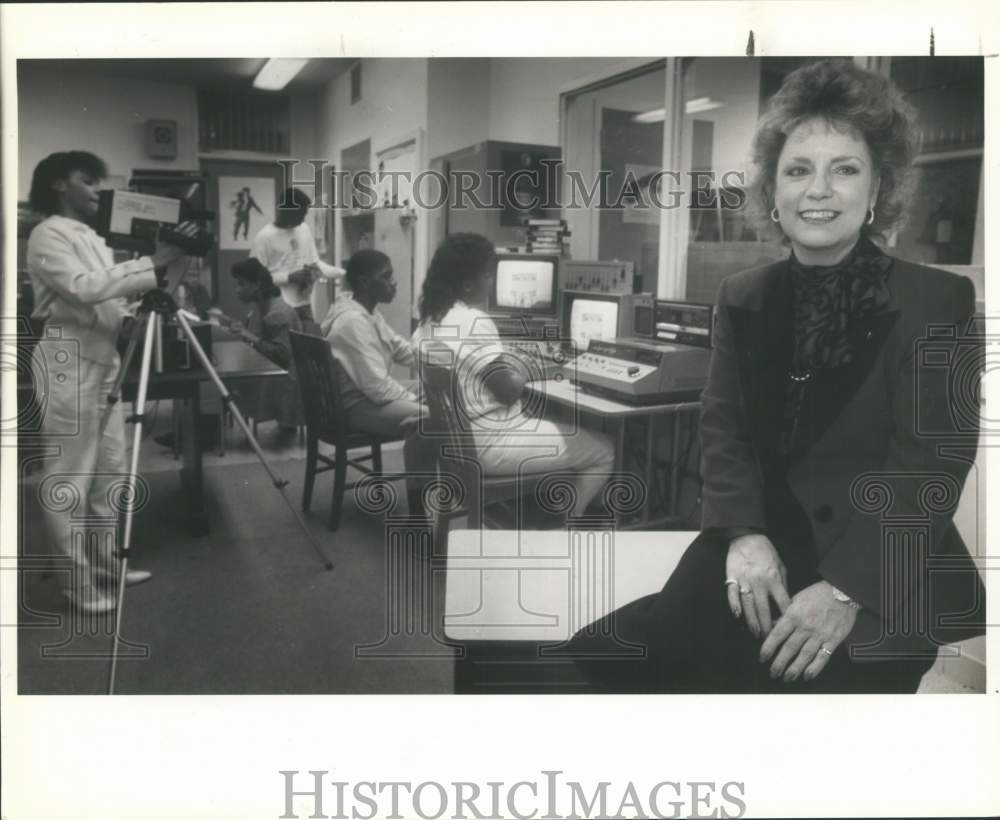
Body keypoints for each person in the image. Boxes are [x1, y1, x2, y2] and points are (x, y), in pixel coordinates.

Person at [570, 59, 985, 693]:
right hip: (760, 539)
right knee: (610, 659)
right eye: (799, 170)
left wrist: (845, 590)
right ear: (774, 194)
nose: (819, 189)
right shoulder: (743, 295)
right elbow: (724, 425)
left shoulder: (939, 302)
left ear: (877, 191)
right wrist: (742, 535)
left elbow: (929, 468)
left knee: (799, 721)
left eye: (844, 169)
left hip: (877, 561)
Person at [26, 150, 187, 613]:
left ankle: (103, 562)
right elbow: (82, 287)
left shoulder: (92, 237)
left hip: (103, 356)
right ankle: (74, 582)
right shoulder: (46, 233)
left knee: (109, 471)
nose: (97, 191)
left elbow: (106, 300)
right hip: (67, 358)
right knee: (70, 477)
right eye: (87, 181)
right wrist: (150, 262)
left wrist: (133, 311)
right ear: (59, 184)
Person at [411, 233, 615, 519]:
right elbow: (508, 391)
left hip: (456, 446)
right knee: (604, 449)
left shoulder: (428, 322)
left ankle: (550, 513)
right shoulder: (475, 321)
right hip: (491, 446)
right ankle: (566, 527)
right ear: (468, 283)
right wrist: (524, 370)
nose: (491, 282)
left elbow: (475, 371)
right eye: (487, 275)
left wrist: (509, 364)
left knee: (556, 422)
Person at [322, 249, 433, 514]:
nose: (393, 282)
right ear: (363, 282)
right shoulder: (352, 322)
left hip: (368, 396)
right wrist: (419, 400)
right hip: (358, 406)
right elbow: (378, 388)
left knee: (441, 396)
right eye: (386, 276)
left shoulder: (366, 311)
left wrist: (444, 362)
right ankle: (418, 516)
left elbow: (400, 349)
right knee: (431, 422)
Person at [213, 258, 303, 440]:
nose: (237, 290)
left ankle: (206, 435)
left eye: (241, 284)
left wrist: (248, 335)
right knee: (218, 379)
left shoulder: (278, 313)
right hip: (274, 374)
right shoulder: (261, 308)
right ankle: (208, 432)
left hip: (285, 381)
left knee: (217, 382)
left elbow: (283, 355)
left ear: (257, 285)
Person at [250, 186, 344, 330]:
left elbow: (315, 262)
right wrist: (289, 277)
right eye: (299, 215)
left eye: (304, 215)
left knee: (307, 349)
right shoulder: (264, 237)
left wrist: (344, 273)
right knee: (284, 350)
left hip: (304, 306)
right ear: (285, 210)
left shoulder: (304, 229)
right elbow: (255, 278)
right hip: (279, 308)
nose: (302, 220)